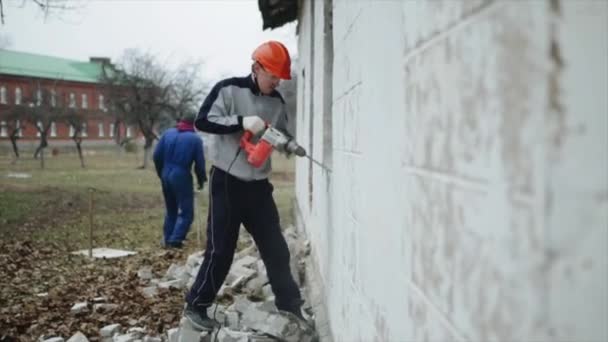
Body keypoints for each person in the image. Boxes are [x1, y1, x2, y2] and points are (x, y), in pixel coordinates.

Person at [183, 40, 303, 331]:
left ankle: (291, 308)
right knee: (221, 249)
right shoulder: (228, 89)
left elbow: (279, 132)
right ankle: (196, 306)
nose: (275, 82)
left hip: (259, 186)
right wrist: (240, 121)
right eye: (272, 75)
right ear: (256, 68)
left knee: (276, 248)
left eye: (279, 78)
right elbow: (203, 121)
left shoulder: (276, 102)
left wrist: (290, 144)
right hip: (226, 180)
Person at [153, 114, 207, 249]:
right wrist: (201, 180)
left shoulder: (167, 134)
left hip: (166, 172)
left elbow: (156, 155)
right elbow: (199, 164)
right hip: (181, 174)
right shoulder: (195, 139)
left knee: (171, 209)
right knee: (186, 211)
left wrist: (161, 173)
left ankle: (167, 238)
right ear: (194, 124)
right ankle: (175, 240)